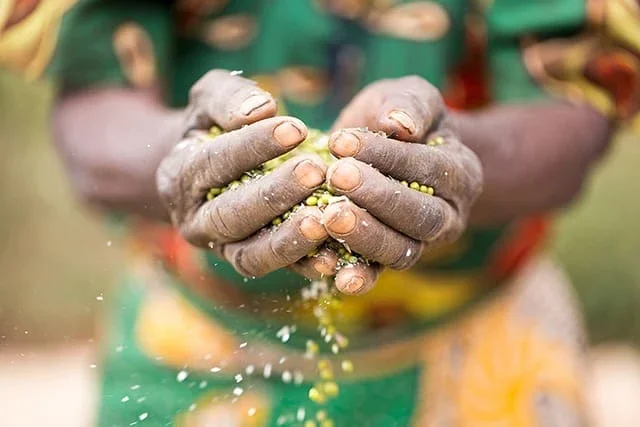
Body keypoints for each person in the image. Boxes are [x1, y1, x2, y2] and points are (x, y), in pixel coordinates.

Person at [3, 0, 639, 425]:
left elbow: (573, 112)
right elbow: (93, 106)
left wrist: (465, 159)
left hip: (485, 337)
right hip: (195, 341)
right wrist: (179, 157)